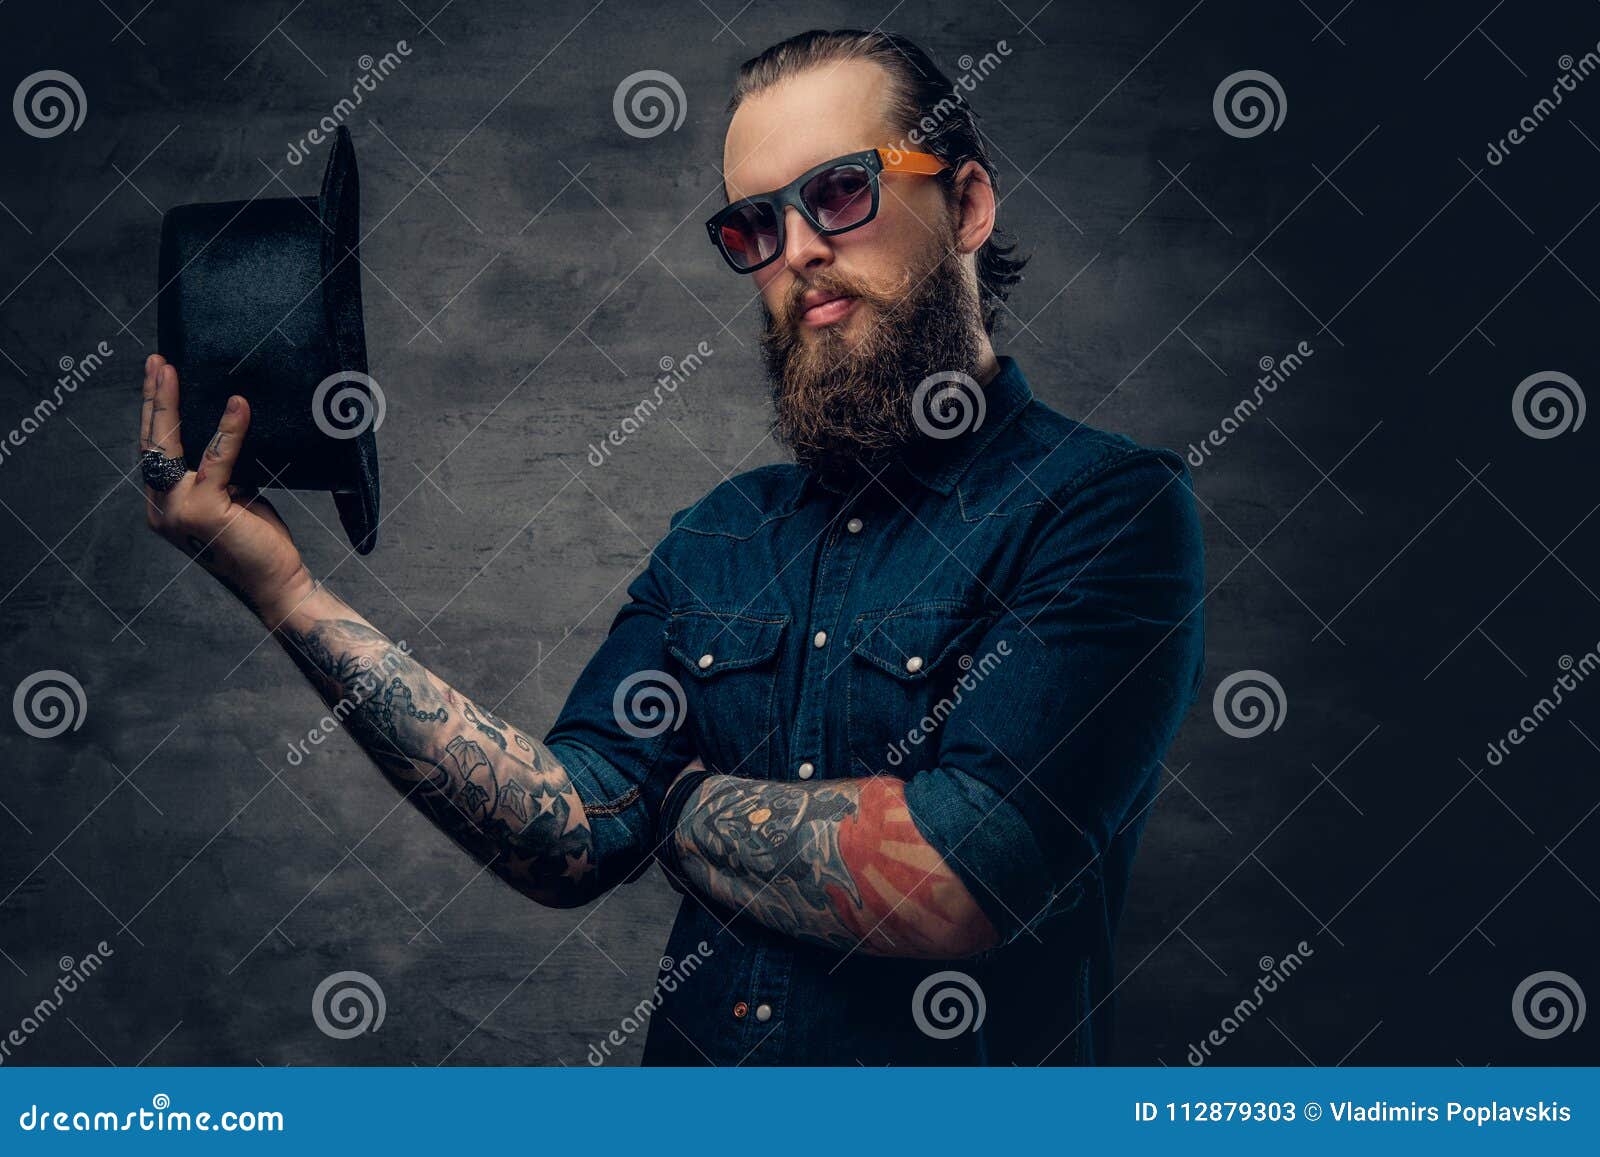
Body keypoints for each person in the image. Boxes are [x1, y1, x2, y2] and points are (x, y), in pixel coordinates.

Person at [137, 28, 1204, 1065]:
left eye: (840, 191)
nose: (799, 251)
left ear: (964, 203)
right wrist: (285, 592)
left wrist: (681, 802)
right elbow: (572, 829)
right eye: (755, 226)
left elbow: (958, 877)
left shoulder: (1103, 509)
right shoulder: (721, 535)